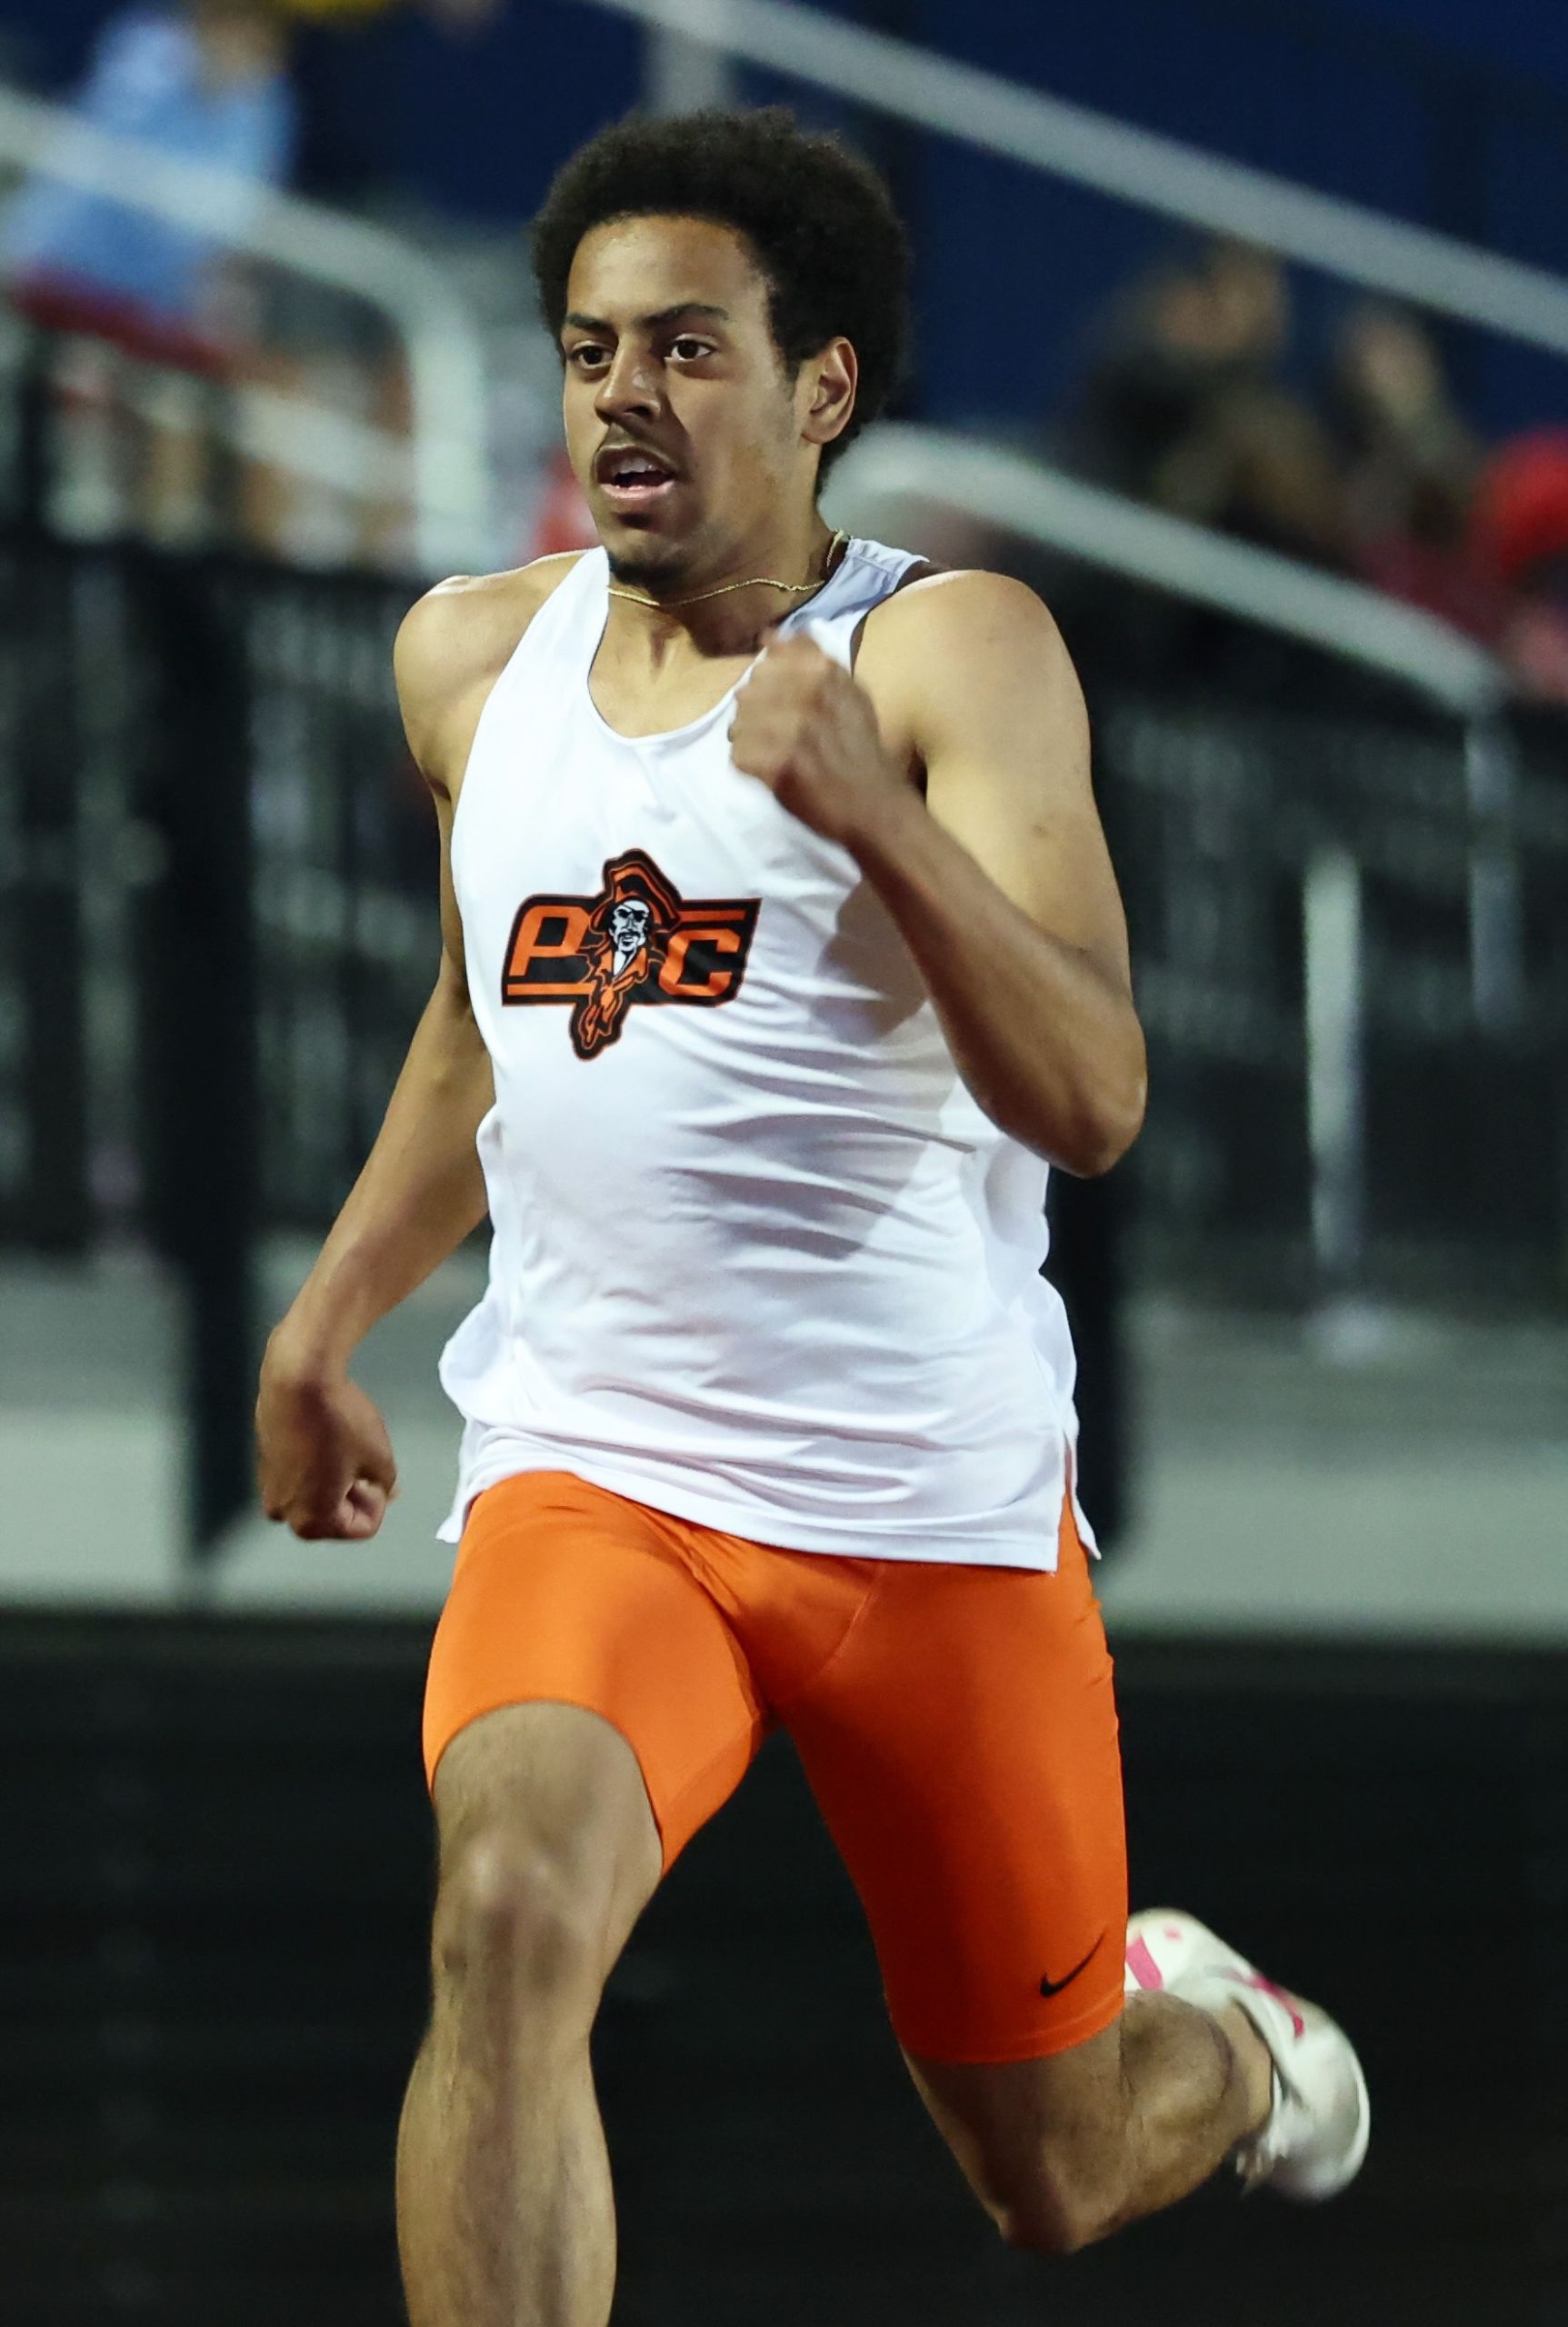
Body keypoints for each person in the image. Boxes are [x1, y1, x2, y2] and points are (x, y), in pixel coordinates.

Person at [255, 106, 1370, 2325]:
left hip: (919, 1512)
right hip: (600, 1471)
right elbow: (488, 1022)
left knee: (1050, 2164)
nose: (623, 397)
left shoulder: (954, 652)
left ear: (818, 385)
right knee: (505, 1914)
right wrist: (326, 1315)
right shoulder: (469, 660)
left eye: (686, 347)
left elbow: (1092, 1094)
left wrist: (878, 814)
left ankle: (1236, 2045)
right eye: (590, 350)